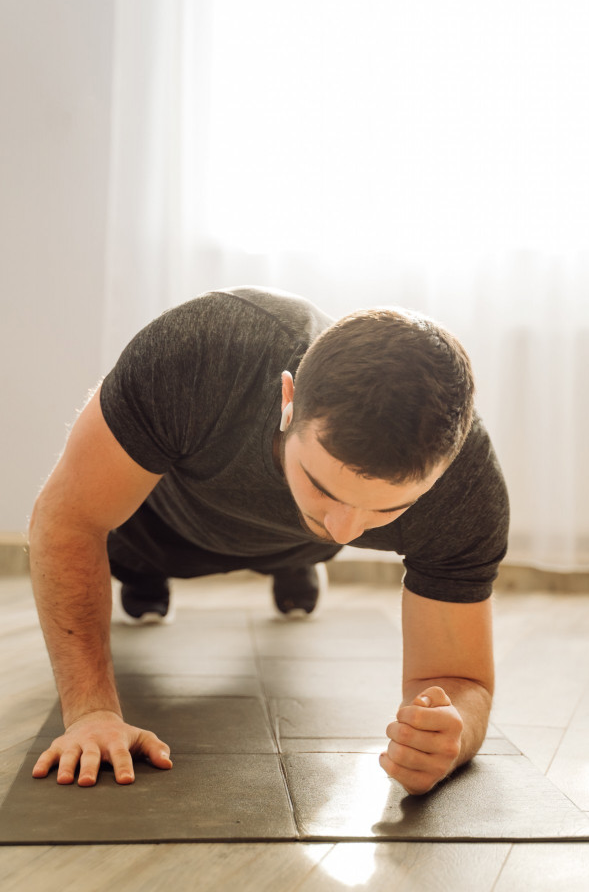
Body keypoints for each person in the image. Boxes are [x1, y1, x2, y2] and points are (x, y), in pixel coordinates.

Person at [28, 286, 509, 797]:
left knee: (316, 533)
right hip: (155, 528)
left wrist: (448, 736)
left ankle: (293, 557)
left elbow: (460, 680)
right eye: (323, 487)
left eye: (389, 510)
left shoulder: (466, 486)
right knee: (131, 558)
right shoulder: (202, 353)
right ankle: (148, 575)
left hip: (296, 541)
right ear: (287, 401)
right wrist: (91, 712)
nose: (347, 531)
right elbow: (69, 520)